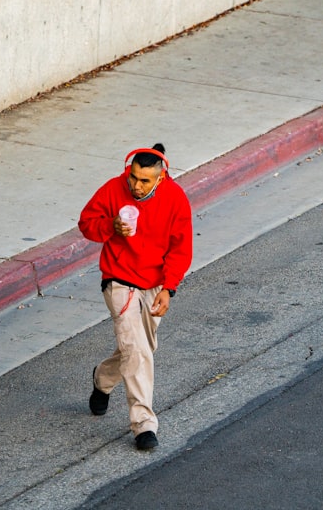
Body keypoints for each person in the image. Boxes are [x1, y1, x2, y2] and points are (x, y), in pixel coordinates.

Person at [77, 144, 193, 451]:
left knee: (142, 347)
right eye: (133, 177)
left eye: (144, 180)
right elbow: (86, 223)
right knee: (138, 350)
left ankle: (103, 379)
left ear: (161, 177)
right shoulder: (114, 189)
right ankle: (144, 424)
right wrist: (109, 226)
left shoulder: (176, 199)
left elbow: (180, 249)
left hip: (155, 283)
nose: (136, 186)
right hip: (119, 279)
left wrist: (169, 287)